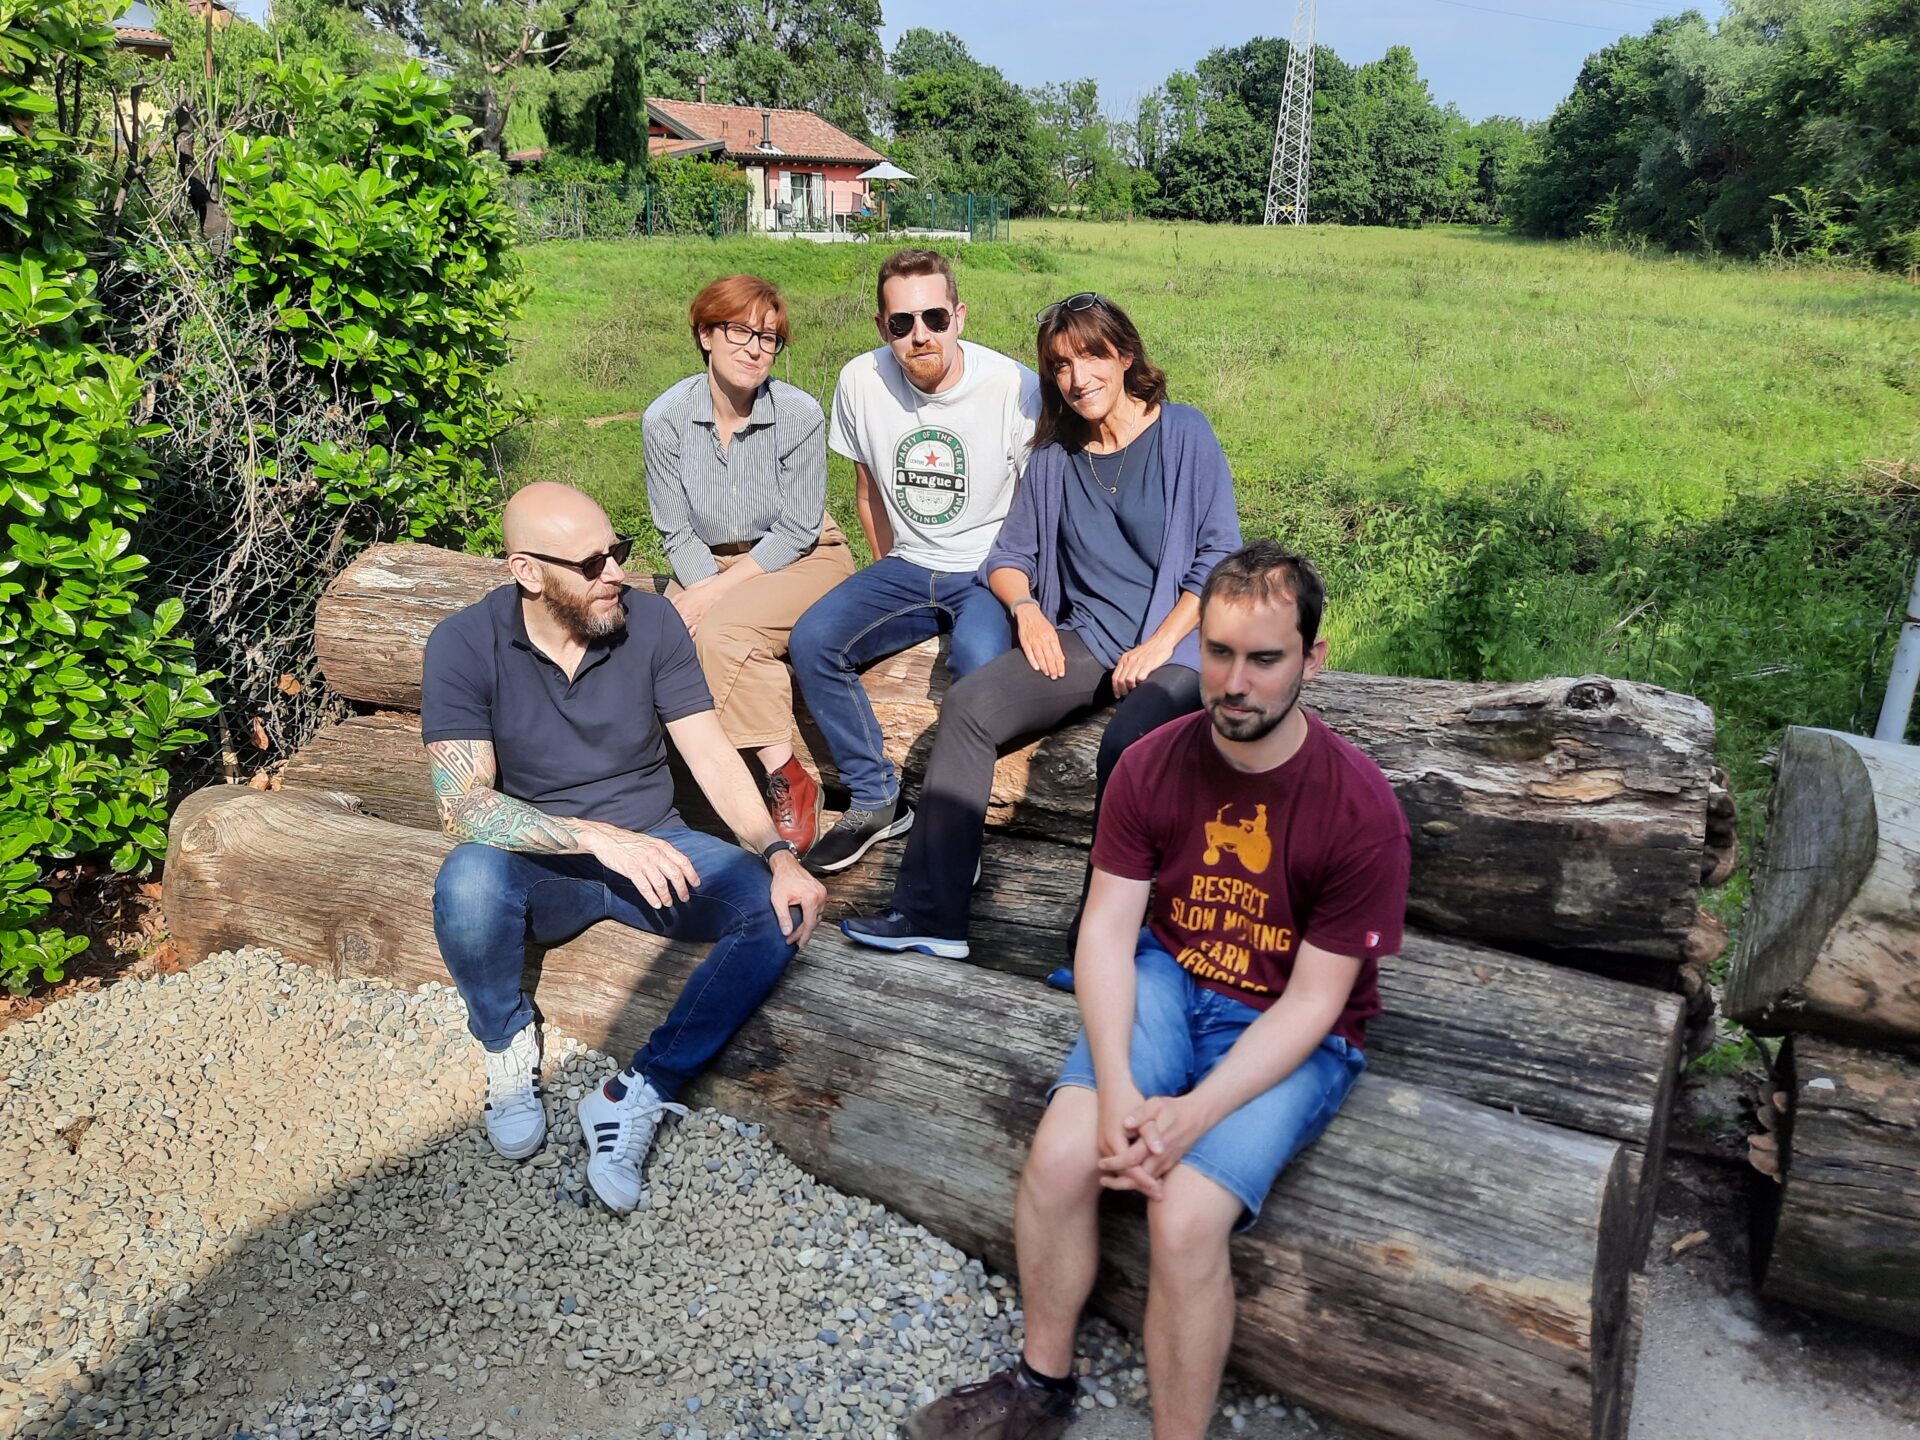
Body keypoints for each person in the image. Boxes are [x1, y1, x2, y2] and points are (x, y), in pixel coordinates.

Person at [904, 541, 1411, 1440]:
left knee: (1183, 1219)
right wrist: (1117, 1092)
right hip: (1172, 977)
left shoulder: (1358, 806)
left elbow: (1315, 1001)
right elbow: (1105, 931)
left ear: (1313, 660)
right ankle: (1039, 1386)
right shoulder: (1152, 764)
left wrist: (1193, 1114)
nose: (1236, 683)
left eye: (1265, 659)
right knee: (1063, 1156)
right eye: (1219, 653)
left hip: (1290, 1022)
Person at [422, 481, 827, 1214]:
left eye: (618, 551)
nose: (615, 572)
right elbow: (461, 804)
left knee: (778, 912)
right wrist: (594, 838)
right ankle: (506, 1040)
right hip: (542, 861)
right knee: (467, 881)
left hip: (657, 846)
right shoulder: (464, 642)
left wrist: (778, 855)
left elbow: (709, 754)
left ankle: (637, 1091)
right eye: (591, 563)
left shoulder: (652, 621)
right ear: (527, 572)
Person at [840, 292, 1241, 958]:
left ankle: (1101, 942)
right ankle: (932, 915)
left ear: (1126, 355)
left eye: (1092, 357)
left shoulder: (1184, 431)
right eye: (1060, 365)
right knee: (969, 704)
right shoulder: (1056, 456)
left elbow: (1219, 554)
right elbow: (1007, 558)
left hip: (1180, 648)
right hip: (1089, 641)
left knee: (1128, 746)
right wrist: (1026, 610)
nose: (1078, 379)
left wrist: (1161, 644)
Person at [788, 248, 1041, 874]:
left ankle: (957, 829)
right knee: (814, 641)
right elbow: (868, 490)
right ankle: (876, 798)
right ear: (883, 327)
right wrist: (885, 570)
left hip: (986, 567)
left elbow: (1036, 508)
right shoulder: (861, 380)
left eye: (934, 318)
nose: (919, 335)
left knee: (978, 664)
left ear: (959, 316)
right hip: (907, 563)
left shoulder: (1013, 388)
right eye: (901, 323)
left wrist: (1023, 598)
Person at [643, 274, 856, 855]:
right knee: (661, 638)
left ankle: (786, 776)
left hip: (804, 557)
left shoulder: (798, 413)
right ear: (706, 336)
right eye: (739, 331)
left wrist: (714, 595)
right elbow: (676, 530)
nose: (754, 349)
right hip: (709, 561)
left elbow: (797, 529)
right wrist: (704, 585)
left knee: (722, 631)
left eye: (768, 338)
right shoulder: (664, 419)